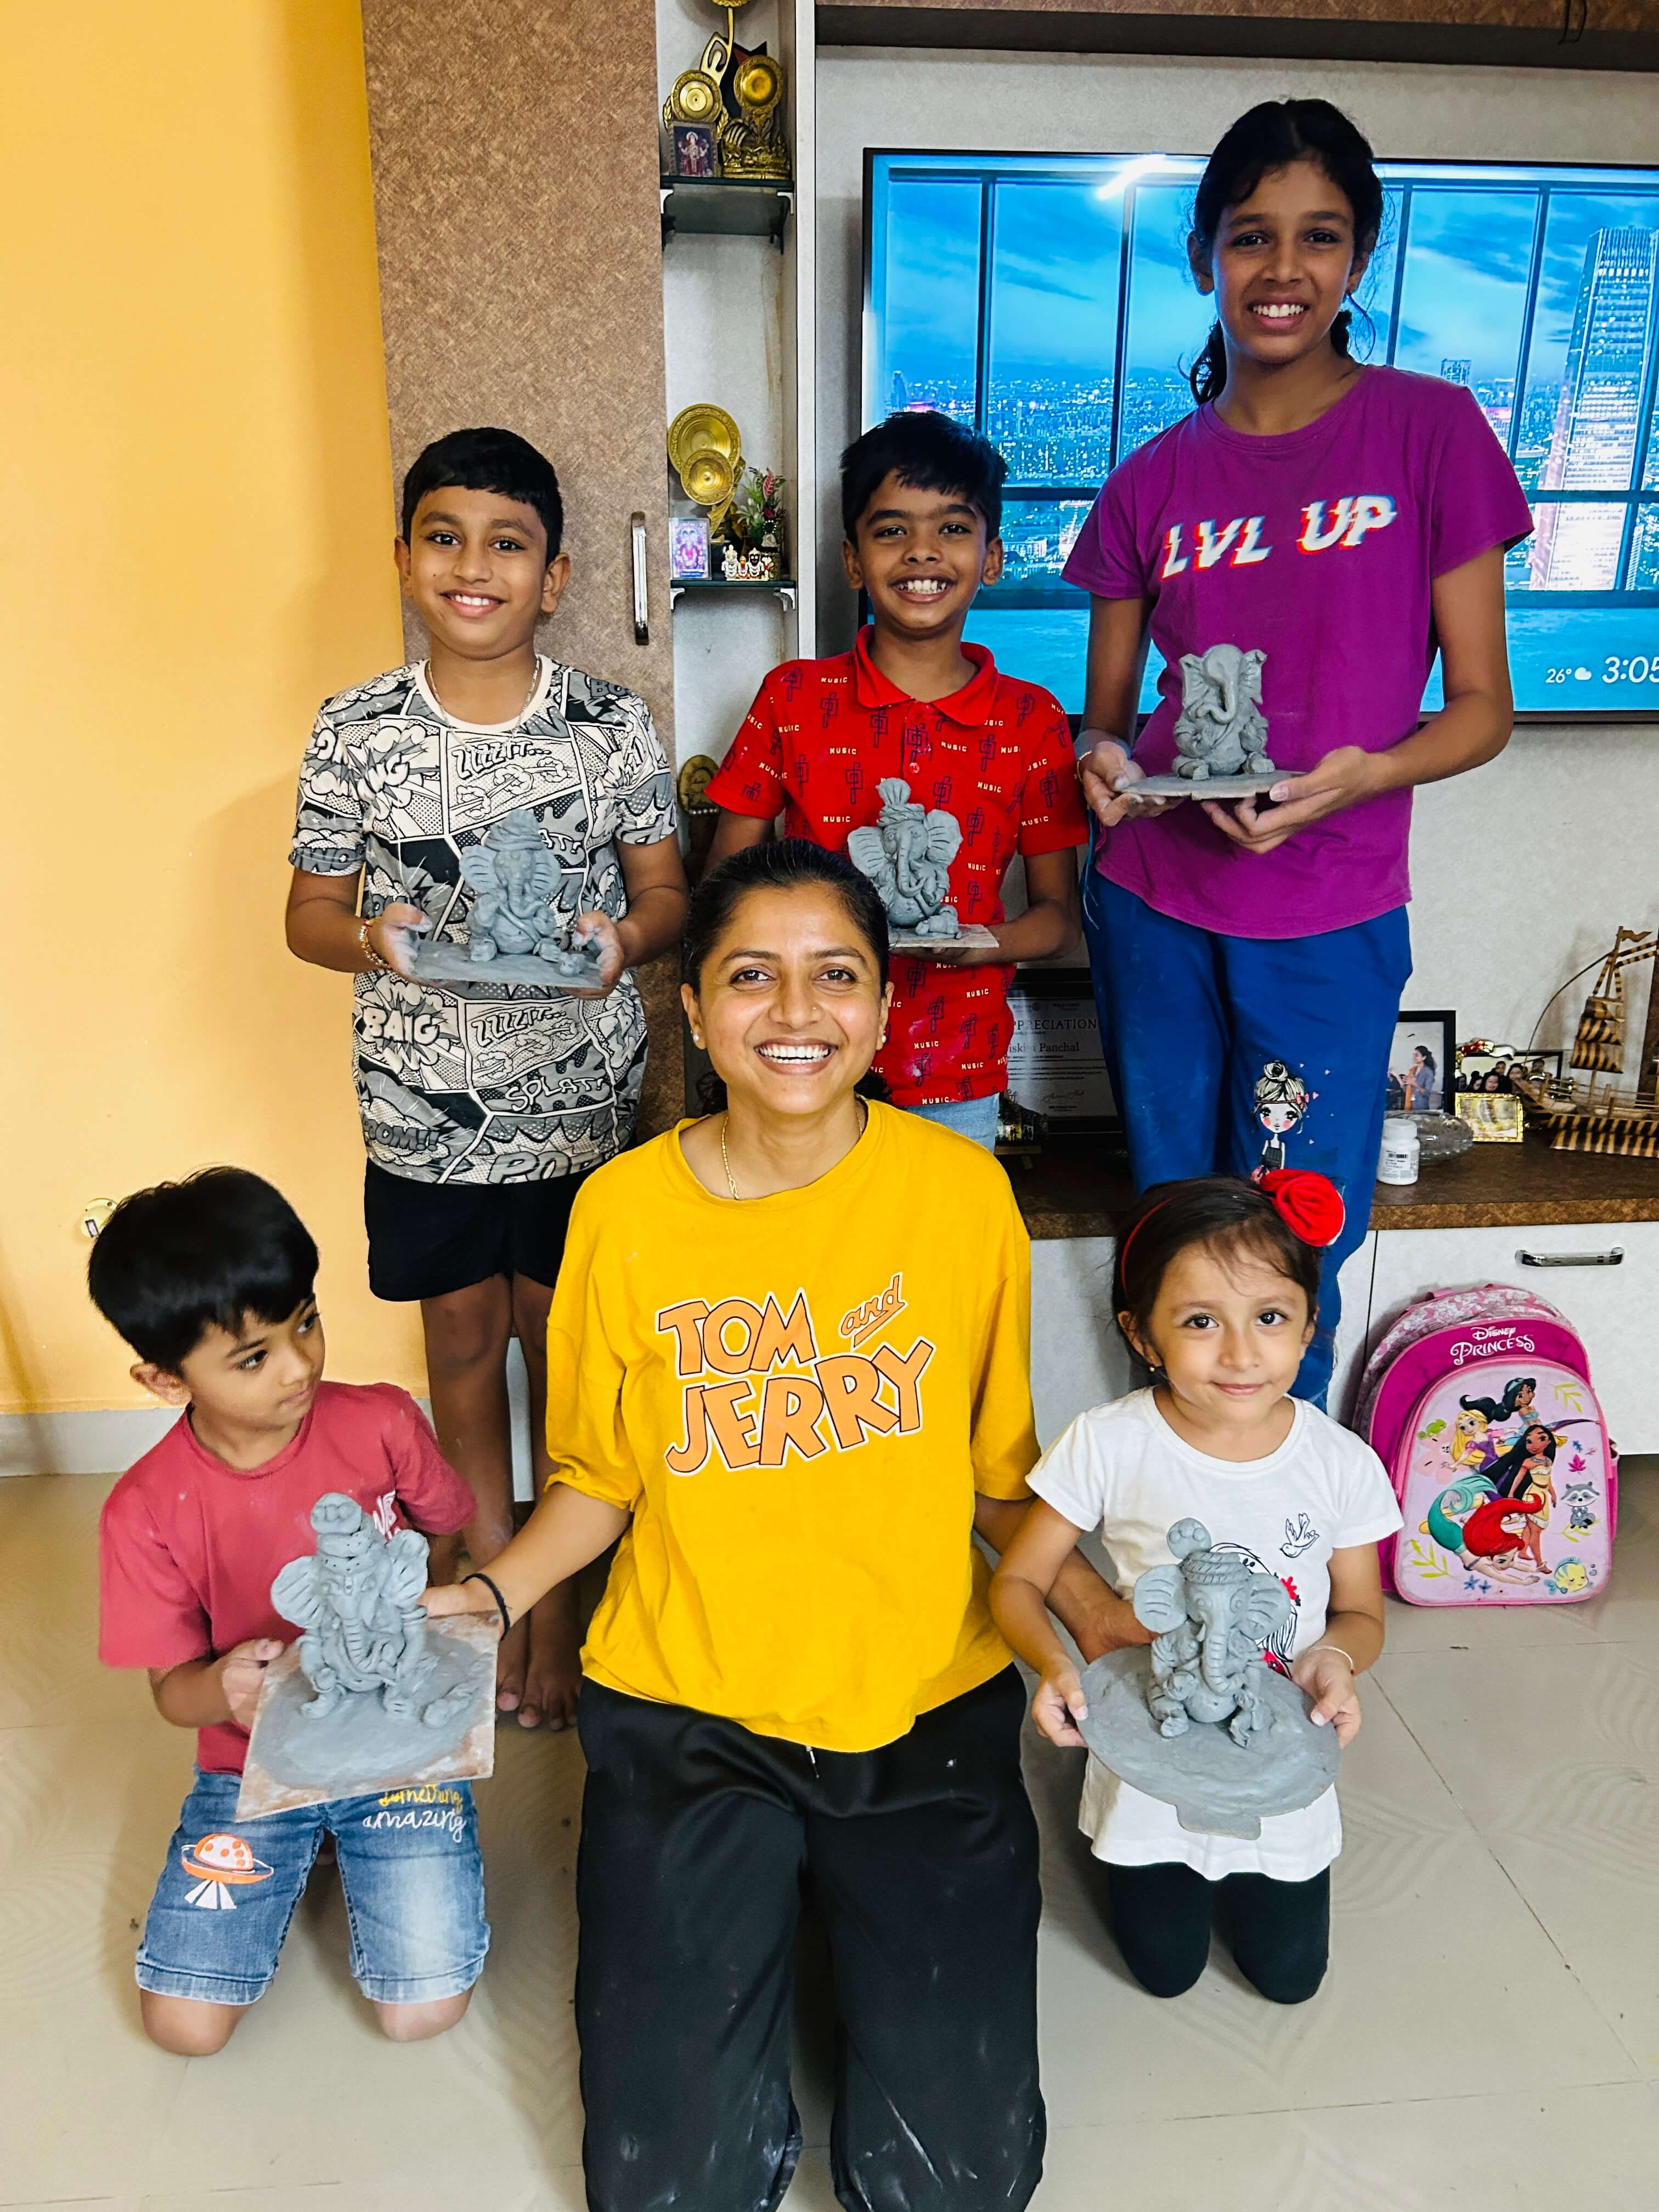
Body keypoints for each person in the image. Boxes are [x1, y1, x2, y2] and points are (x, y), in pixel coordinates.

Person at [429, 839, 1116, 2212]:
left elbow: (1000, 1481)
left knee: (957, 2186)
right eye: (752, 977)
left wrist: (1104, 1625)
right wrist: (488, 1600)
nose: (794, 1015)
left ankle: (829, 1900)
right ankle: (771, 1895)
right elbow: (599, 1484)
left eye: (834, 978)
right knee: (667, 2186)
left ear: (881, 1006)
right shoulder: (621, 1213)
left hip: (919, 1704)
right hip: (688, 1708)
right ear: (692, 1012)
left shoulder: (961, 1197)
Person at [1067, 99, 1534, 1403]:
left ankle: (1281, 1534)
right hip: (1157, 898)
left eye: (1318, 238)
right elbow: (1107, 716)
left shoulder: (1430, 435)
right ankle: (1176, 1509)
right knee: (1173, 1223)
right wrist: (1105, 761)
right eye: (1251, 237)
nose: (1283, 271)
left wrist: (1365, 773)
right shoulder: (1152, 480)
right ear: (1204, 255)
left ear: (1360, 257)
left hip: (1330, 906)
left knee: (1296, 1224)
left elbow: (1484, 706)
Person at [286, 427, 689, 1730]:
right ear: (404, 559)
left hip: (579, 1106)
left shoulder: (606, 726)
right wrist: (374, 940)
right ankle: (473, 1570)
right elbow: (308, 915)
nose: (475, 568)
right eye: (445, 538)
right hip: (421, 1112)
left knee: (561, 1349)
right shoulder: (356, 730)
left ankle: (549, 1603)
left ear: (556, 575)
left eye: (506, 544)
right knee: (459, 1345)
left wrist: (624, 942)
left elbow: (665, 895)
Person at [90, 1169, 485, 2055]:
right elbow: (172, 1695)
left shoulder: (382, 1420)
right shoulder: (144, 1510)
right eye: (253, 1356)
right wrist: (225, 1689)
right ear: (161, 1377)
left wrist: (430, 1644)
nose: (302, 1364)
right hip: (251, 1764)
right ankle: (310, 1841)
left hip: (395, 1747)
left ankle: (369, 1831)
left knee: (423, 2008)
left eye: (306, 1319)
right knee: (184, 2026)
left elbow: (446, 1537)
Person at [990, 1173, 1402, 2004]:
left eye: (1271, 1318)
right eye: (1200, 1322)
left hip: (1278, 1743)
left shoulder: (1340, 1463)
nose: (1242, 1354)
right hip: (1154, 1737)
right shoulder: (1107, 1443)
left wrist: (1332, 1661)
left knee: (1290, 1980)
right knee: (1163, 1972)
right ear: (1141, 1335)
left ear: (1310, 1326)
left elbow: (1361, 1612)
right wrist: (1056, 1669)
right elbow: (1019, 1582)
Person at [702, 409, 1088, 1151]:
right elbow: (724, 883)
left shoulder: (1031, 721)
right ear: (853, 561)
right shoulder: (792, 699)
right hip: (796, 1056)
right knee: (798, 1263)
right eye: (890, 531)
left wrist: (984, 944)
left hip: (958, 1073)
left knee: (934, 1266)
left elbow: (1057, 919)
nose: (922, 553)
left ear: (994, 556)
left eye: (951, 528)